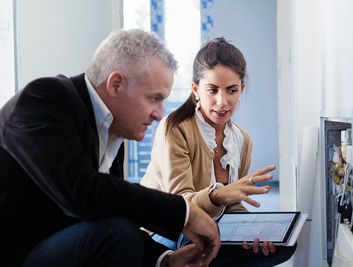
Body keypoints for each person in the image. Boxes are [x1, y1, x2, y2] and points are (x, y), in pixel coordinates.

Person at [0, 29, 220, 267]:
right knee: (117, 235)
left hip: (52, 247)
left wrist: (164, 260)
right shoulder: (43, 99)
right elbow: (83, 195)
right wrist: (186, 212)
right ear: (116, 84)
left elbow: (112, 210)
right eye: (154, 98)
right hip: (16, 254)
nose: (159, 114)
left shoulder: (112, 132)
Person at [140, 37, 296, 266]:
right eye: (212, 90)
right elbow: (179, 205)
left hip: (212, 225)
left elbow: (233, 205)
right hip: (170, 229)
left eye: (231, 90)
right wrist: (218, 194)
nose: (222, 102)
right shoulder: (175, 128)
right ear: (196, 89)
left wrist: (252, 234)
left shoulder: (242, 140)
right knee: (202, 242)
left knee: (284, 245)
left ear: (241, 89)